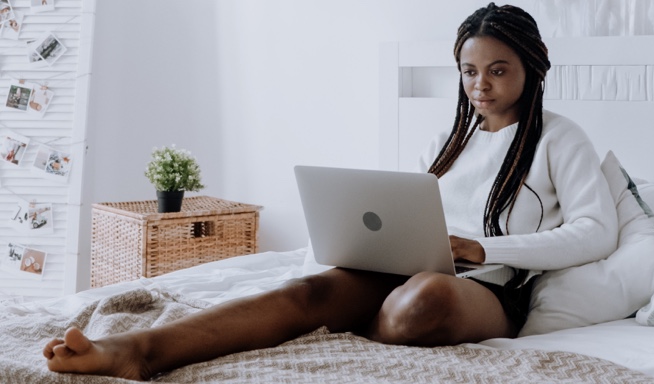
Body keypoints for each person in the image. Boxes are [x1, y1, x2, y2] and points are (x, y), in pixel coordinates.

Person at [43, 3, 617, 380]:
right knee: (303, 292)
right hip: (408, 270)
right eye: (469, 71)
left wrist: (484, 250)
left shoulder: (559, 138)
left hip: (488, 287)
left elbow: (596, 232)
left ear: (532, 69)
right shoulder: (447, 138)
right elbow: (405, 209)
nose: (480, 85)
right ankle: (139, 351)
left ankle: (351, 324)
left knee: (428, 300)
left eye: (498, 69)